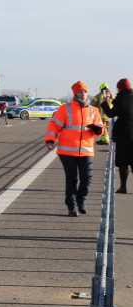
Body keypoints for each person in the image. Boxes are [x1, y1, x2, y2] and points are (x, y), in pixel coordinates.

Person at [46, 81, 104, 216]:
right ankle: (71, 206)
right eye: (80, 92)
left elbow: (100, 129)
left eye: (85, 91)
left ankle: (81, 200)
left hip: (86, 150)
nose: (83, 94)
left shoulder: (93, 110)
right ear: (75, 93)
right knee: (72, 178)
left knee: (87, 178)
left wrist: (97, 130)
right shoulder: (65, 109)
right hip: (67, 151)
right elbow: (54, 125)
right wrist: (50, 140)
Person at [103, 78, 133, 193]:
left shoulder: (121, 99)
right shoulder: (129, 97)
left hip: (123, 135)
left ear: (119, 88)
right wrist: (113, 98)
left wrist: (105, 102)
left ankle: (123, 187)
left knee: (123, 163)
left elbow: (111, 113)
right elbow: (124, 106)